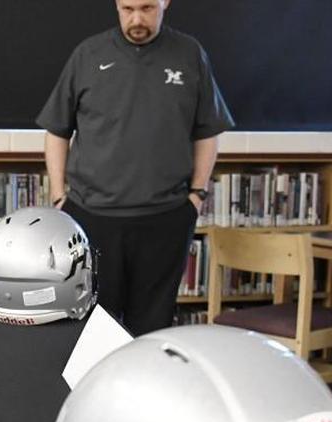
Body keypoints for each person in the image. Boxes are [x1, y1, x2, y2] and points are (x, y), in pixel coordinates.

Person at [38, 0, 234, 336]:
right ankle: (94, 390)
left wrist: (196, 195)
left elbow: (207, 133)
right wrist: (59, 197)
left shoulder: (189, 54)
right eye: (128, 9)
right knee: (94, 329)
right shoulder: (89, 54)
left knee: (153, 329)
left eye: (148, 8)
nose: (137, 19)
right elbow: (57, 130)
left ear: (165, 4)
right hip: (93, 216)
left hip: (166, 218)